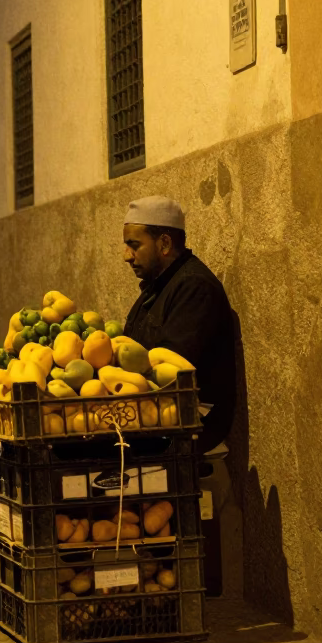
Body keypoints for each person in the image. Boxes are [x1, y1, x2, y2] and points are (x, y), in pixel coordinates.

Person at [120, 195, 237, 455]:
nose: (126, 256)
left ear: (164, 243)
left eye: (134, 245)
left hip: (190, 429)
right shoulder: (158, 286)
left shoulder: (194, 288)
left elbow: (170, 371)